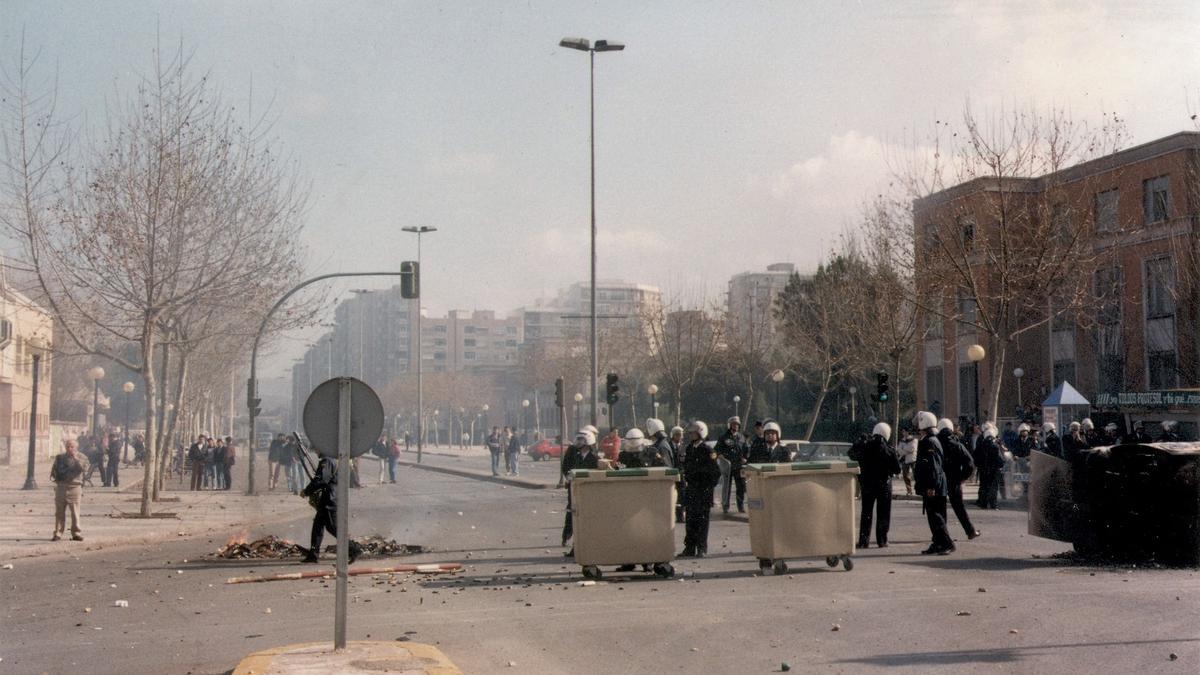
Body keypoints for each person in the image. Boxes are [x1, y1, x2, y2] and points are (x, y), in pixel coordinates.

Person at [300, 454, 362, 564]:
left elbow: (321, 480)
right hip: (329, 498)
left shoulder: (327, 460)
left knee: (333, 527)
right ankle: (313, 554)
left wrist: (306, 491)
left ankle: (354, 548)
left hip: (330, 500)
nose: (316, 450)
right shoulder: (333, 459)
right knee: (317, 527)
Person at [849, 422, 901, 548]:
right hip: (884, 484)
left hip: (867, 484)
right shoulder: (889, 450)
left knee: (866, 513)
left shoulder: (865, 446)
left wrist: (860, 441)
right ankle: (882, 540)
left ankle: (863, 540)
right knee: (883, 513)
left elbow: (851, 454)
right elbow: (897, 469)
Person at [915, 411, 954, 555]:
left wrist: (931, 486)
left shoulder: (929, 441)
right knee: (934, 516)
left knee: (936, 516)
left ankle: (946, 543)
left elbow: (932, 466)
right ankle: (937, 543)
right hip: (934, 483)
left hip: (934, 484)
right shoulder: (931, 439)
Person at [680, 420, 720, 558]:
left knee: (702, 521)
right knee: (690, 520)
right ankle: (689, 547)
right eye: (690, 432)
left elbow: (715, 473)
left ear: (701, 433)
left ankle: (702, 548)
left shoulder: (708, 450)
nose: (691, 435)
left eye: (694, 432)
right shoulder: (689, 449)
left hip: (703, 491)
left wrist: (708, 487)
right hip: (692, 490)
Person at [937, 418, 979, 540]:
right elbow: (970, 463)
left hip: (940, 480)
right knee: (959, 507)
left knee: (940, 508)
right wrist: (962, 476)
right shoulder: (957, 445)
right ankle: (970, 531)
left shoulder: (935, 444)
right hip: (954, 479)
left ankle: (942, 535)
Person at [560, 430, 599, 554]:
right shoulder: (576, 455)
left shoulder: (595, 458)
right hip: (575, 491)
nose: (579, 443)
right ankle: (574, 544)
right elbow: (567, 467)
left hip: (587, 494)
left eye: (582, 440)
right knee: (574, 517)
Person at [50, 439, 89, 541]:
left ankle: (76, 532)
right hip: (61, 487)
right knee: (59, 512)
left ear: (77, 447)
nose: (69, 448)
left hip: (75, 487)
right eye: (67, 446)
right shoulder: (60, 458)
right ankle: (58, 532)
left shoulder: (82, 457)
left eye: (72, 447)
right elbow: (54, 471)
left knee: (75, 512)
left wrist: (76, 459)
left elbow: (84, 469)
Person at [716, 416, 749, 513]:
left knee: (741, 486)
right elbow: (717, 449)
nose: (736, 426)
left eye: (737, 424)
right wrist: (720, 456)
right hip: (728, 466)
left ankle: (740, 506)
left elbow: (746, 449)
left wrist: (745, 458)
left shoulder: (741, 437)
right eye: (734, 424)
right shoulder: (723, 437)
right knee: (727, 486)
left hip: (738, 466)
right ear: (730, 425)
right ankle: (725, 506)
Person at [975, 425, 1005, 509]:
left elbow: (975, 457)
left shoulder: (980, 445)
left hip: (983, 469)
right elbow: (1000, 459)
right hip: (994, 470)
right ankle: (993, 504)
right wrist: (1000, 465)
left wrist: (980, 466)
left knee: (984, 485)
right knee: (993, 487)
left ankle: (983, 503)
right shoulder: (995, 446)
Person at [898, 428, 918, 495]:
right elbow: (899, 450)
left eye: (904, 431)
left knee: (916, 475)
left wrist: (904, 448)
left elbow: (912, 448)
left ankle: (918, 489)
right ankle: (909, 490)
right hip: (905, 459)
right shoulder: (902, 440)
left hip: (913, 459)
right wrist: (906, 450)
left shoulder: (914, 439)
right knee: (905, 476)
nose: (903, 433)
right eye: (902, 432)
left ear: (907, 432)